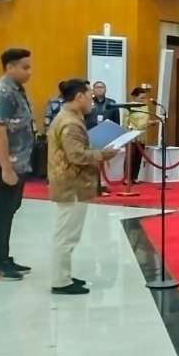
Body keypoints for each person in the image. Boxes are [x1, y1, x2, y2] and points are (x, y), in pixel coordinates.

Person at [46, 79, 118, 295]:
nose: (91, 101)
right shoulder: (70, 123)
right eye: (89, 96)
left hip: (71, 182)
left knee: (68, 234)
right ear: (79, 97)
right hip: (71, 185)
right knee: (66, 235)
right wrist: (103, 154)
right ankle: (60, 281)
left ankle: (64, 275)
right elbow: (76, 155)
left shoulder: (70, 117)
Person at [0, 48, 36, 281]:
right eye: (25, 67)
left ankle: (3, 257)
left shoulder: (16, 90)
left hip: (17, 163)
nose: (29, 72)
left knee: (9, 210)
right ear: (10, 67)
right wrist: (6, 168)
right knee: (1, 213)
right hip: (4, 164)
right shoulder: (3, 92)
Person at [123, 85, 156, 184]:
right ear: (135, 97)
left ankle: (135, 177)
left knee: (138, 157)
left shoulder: (145, 107)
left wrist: (152, 122)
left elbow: (146, 120)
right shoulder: (128, 106)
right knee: (130, 157)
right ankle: (126, 178)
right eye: (141, 98)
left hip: (142, 135)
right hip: (131, 135)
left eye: (144, 98)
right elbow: (125, 122)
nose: (143, 100)